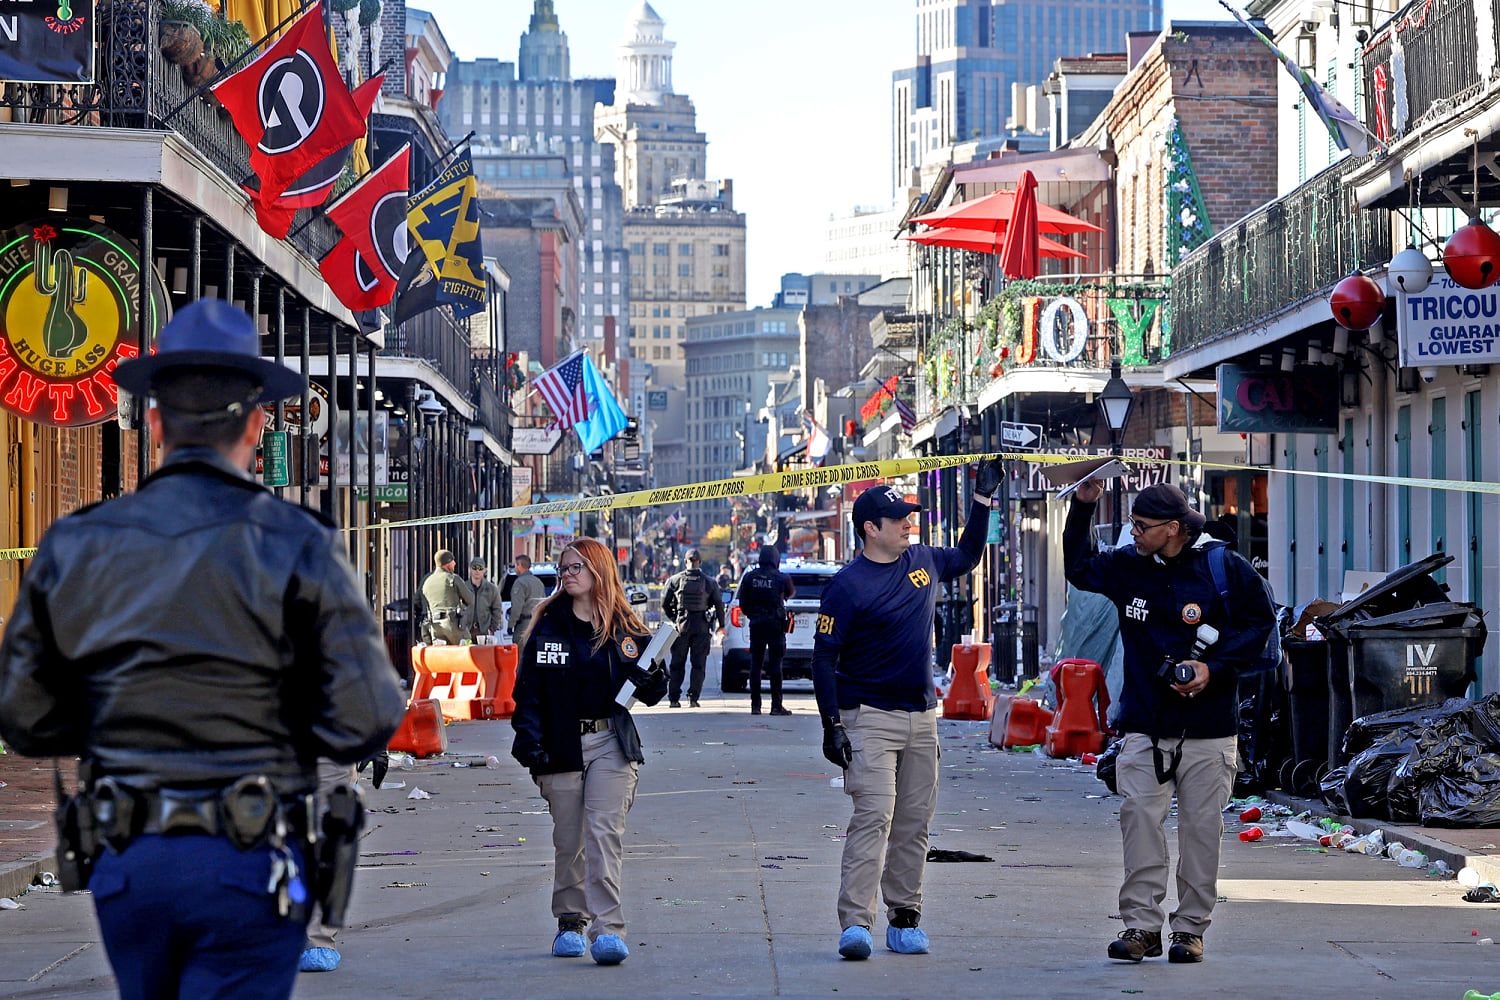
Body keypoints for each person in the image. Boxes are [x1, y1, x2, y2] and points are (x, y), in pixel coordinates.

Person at [0, 298, 406, 1000]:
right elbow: (368, 713)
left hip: (130, 855)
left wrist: (115, 711)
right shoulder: (297, 540)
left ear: (154, 421)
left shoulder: (77, 542)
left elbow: (24, 717)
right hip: (249, 852)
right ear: (255, 425)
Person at [1061, 481, 1274, 965]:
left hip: (1209, 729)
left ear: (1174, 528)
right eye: (1131, 524)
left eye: (1142, 526)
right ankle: (1141, 927)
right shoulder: (1127, 567)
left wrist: (1212, 668)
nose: (1133, 533)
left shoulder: (1223, 567)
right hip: (1144, 726)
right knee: (1139, 823)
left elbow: (1259, 625)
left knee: (1201, 833)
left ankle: (1190, 930)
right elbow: (1077, 568)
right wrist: (1084, 504)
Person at [812, 465, 997, 960]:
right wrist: (832, 724)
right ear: (870, 528)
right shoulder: (847, 587)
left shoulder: (923, 560)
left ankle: (905, 916)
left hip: (922, 717)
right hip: (868, 717)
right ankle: (856, 923)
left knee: (914, 822)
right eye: (898, 519)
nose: (907, 524)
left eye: (908, 516)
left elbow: (970, 555)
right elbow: (824, 658)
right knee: (875, 816)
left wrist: (981, 500)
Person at [510, 537, 668, 965]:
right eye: (564, 568)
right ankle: (570, 920)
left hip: (611, 744)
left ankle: (608, 930)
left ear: (599, 570)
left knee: (603, 835)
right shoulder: (548, 624)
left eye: (577, 567)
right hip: (561, 745)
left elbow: (653, 689)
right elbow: (527, 693)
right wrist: (529, 743)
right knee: (570, 840)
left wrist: (653, 678)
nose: (568, 575)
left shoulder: (625, 628)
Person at [735, 545, 796, 716]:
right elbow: (791, 593)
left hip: (757, 624)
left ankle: (756, 706)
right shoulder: (782, 578)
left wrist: (753, 614)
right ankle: (776, 706)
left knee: (756, 665)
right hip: (775, 625)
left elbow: (743, 603)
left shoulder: (749, 577)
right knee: (776, 665)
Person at [661, 548, 724, 708]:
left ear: (685, 562)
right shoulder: (710, 582)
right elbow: (718, 605)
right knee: (698, 664)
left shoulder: (675, 580)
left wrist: (675, 617)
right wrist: (721, 626)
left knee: (677, 664)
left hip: (682, 625)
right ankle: (693, 698)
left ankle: (674, 699)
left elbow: (664, 603)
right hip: (702, 626)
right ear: (700, 563)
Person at [421, 549, 473, 645]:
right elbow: (470, 599)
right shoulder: (453, 578)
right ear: (447, 563)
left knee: (442, 656)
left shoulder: (427, 582)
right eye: (452, 561)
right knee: (467, 649)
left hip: (435, 627)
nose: (455, 563)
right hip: (453, 626)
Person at [508, 554, 545, 644]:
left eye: (515, 566)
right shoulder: (538, 582)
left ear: (520, 565)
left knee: (521, 655)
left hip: (524, 625)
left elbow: (517, 607)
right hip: (538, 624)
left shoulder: (520, 582)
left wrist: (510, 625)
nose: (515, 568)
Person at [467, 557, 502, 641]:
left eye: (480, 568)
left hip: (484, 631)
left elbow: (497, 609)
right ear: (470, 569)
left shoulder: (491, 589)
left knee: (484, 653)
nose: (477, 571)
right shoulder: (464, 587)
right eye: (474, 568)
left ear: (484, 570)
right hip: (466, 631)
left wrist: (492, 628)